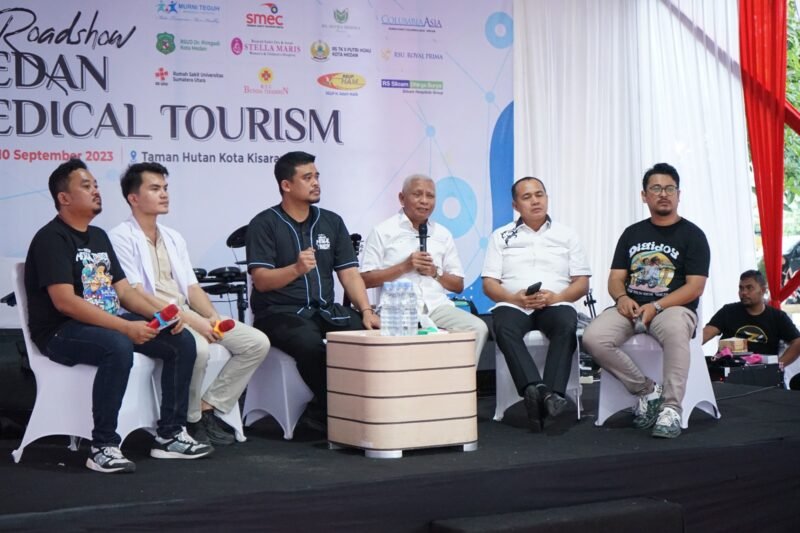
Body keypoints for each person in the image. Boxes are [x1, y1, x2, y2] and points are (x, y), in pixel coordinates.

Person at [24, 159, 212, 474]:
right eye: (86, 186)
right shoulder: (51, 238)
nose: (96, 191)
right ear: (64, 198)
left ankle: (170, 434)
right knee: (117, 345)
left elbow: (124, 292)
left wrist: (164, 315)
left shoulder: (98, 236)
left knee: (180, 340)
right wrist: (125, 327)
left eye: (96, 184)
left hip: (103, 324)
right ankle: (103, 446)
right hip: (60, 331)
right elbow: (65, 303)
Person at [109, 163, 270, 446]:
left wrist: (212, 317)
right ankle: (190, 420)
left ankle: (208, 407)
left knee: (256, 343)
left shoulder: (173, 237)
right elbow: (134, 294)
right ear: (133, 198)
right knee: (198, 348)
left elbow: (192, 287)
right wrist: (193, 321)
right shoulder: (119, 237)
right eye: (155, 188)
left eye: (165, 188)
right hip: (151, 315)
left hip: (187, 311)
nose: (164, 194)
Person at [246, 151, 380, 424]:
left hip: (326, 311)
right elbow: (261, 280)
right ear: (286, 185)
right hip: (280, 313)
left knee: (372, 338)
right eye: (307, 178)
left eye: (317, 176)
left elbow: (349, 274)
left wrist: (366, 310)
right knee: (311, 347)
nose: (316, 182)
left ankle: (364, 411)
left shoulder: (332, 222)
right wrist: (295, 269)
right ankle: (331, 416)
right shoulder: (264, 223)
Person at [583, 162, 710, 439]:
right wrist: (621, 297)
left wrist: (657, 306)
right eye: (656, 188)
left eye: (669, 189)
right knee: (593, 337)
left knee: (676, 330)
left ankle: (671, 408)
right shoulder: (632, 234)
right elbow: (615, 278)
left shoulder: (693, 235)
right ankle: (648, 391)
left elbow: (695, 287)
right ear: (644, 195)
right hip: (631, 307)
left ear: (679, 194)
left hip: (673, 308)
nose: (663, 194)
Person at [481, 177, 591, 432]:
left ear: (547, 198)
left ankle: (550, 392)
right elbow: (489, 284)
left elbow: (582, 283)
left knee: (565, 324)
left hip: (555, 302)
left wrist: (557, 298)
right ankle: (539, 390)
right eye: (527, 197)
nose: (535, 201)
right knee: (503, 326)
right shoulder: (501, 236)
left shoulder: (566, 235)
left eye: (539, 195)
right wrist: (514, 298)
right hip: (514, 303)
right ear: (515, 205)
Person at [360, 174, 489, 364]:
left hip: (437, 307)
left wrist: (435, 273)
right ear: (402, 198)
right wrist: (405, 266)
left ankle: (458, 380)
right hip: (398, 308)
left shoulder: (442, 234)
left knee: (478, 328)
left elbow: (458, 285)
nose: (424, 201)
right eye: (417, 194)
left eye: (430, 196)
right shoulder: (383, 231)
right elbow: (365, 279)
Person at [702, 270, 800, 369]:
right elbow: (706, 334)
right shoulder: (728, 311)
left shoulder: (777, 317)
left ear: (763, 290)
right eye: (741, 288)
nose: (744, 292)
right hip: (728, 372)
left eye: (749, 288)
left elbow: (797, 342)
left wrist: (778, 366)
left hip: (762, 374)